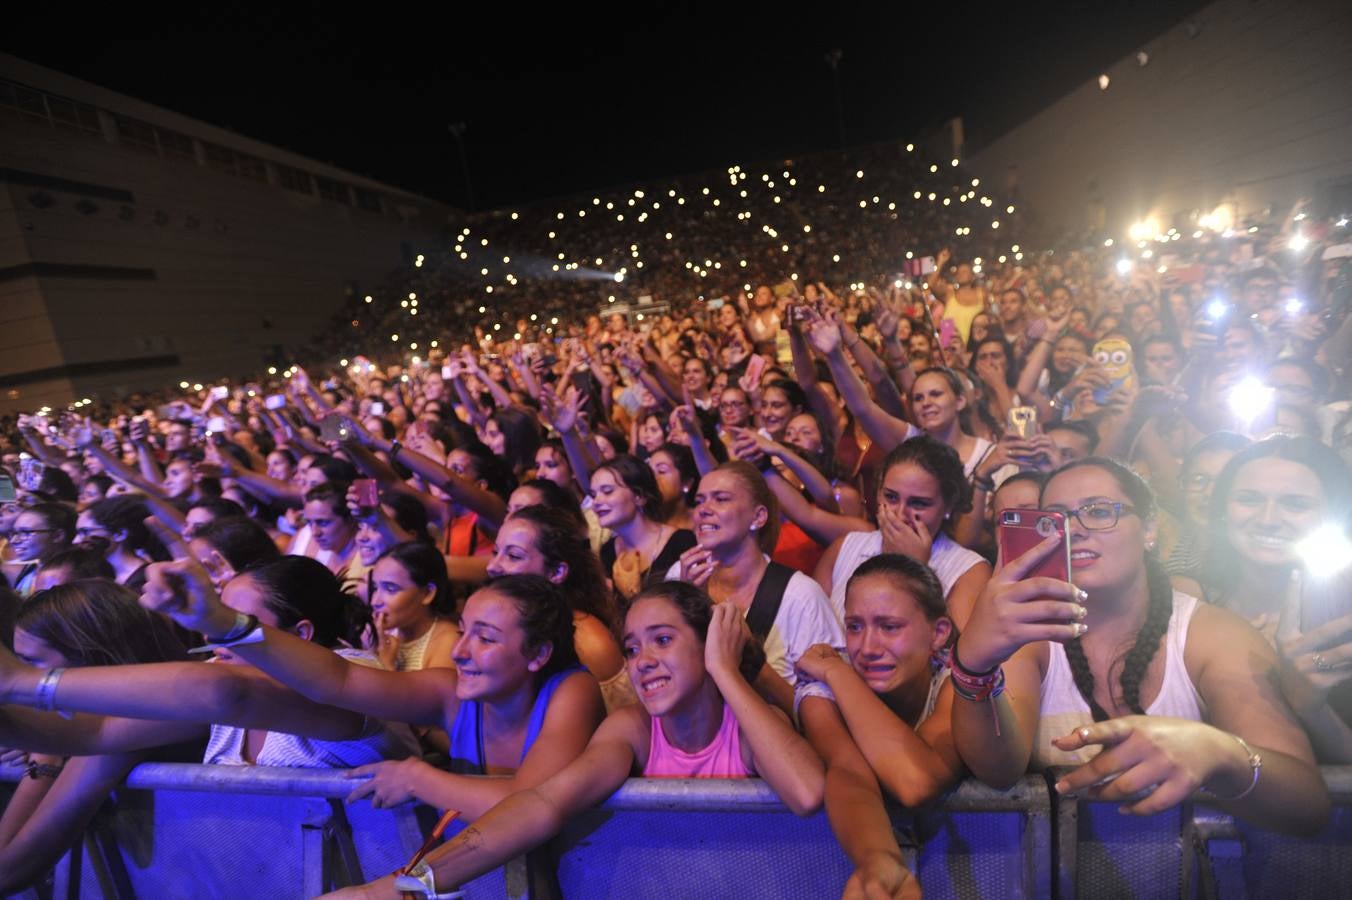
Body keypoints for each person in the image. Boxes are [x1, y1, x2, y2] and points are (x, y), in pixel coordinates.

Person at [322, 582, 823, 900]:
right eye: (632, 646)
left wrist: (725, 670)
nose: (643, 659)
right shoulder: (632, 729)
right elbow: (541, 803)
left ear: (713, 642)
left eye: (663, 640)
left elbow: (806, 790)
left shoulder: (754, 724)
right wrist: (408, 886)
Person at [951, 457, 1328, 835]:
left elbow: (1306, 802)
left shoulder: (1209, 633)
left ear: (1150, 528)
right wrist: (973, 666)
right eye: (1058, 518)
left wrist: (1222, 752)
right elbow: (998, 770)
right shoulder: (1031, 632)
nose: (1076, 530)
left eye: (1099, 511)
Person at [119, 564, 604, 821]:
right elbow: (341, 681)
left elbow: (531, 801)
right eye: (464, 631)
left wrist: (420, 779)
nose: (460, 652)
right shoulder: (449, 693)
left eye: (487, 638)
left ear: (538, 654)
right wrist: (222, 625)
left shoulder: (571, 691)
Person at [0, 581, 191, 894]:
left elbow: (7, 872)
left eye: (33, 663)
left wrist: (47, 755)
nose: (23, 678)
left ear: (95, 661)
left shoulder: (128, 728)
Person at [796, 554, 965, 899]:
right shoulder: (820, 689)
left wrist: (841, 673)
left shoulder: (958, 680)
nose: (868, 648)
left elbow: (917, 782)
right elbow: (848, 770)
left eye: (889, 627)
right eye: (855, 626)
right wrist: (879, 861)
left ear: (938, 633)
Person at [668, 461, 845, 713]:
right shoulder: (680, 574)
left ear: (758, 517)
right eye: (699, 500)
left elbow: (825, 716)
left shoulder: (800, 596)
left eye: (720, 499)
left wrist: (749, 659)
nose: (703, 510)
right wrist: (684, 605)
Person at [815, 437, 990, 627]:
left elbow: (956, 654)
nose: (900, 514)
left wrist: (918, 570)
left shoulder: (970, 570)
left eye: (918, 503)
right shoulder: (844, 548)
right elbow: (811, 632)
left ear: (948, 506)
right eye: (890, 497)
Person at [487, 504, 634, 712]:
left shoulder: (590, 644)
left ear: (557, 572)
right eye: (495, 552)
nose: (492, 566)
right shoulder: (501, 620)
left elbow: (626, 726)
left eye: (514, 556)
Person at [593, 455, 696, 602]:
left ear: (639, 496)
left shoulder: (681, 542)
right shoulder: (608, 550)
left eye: (607, 491)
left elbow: (689, 608)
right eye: (593, 494)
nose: (596, 502)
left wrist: (633, 593)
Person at [366, 542, 459, 672]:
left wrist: (386, 666)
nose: (375, 601)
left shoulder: (448, 641)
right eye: (375, 588)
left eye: (390, 589)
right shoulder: (382, 635)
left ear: (428, 593)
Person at [76, 494, 168, 590]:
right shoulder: (108, 576)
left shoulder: (145, 580)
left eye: (85, 532)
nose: (76, 540)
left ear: (119, 534)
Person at [5, 503, 75, 597]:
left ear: (57, 536)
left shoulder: (70, 578)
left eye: (26, 533)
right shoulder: (29, 573)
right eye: (15, 533)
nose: (14, 541)